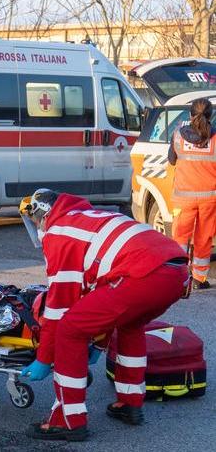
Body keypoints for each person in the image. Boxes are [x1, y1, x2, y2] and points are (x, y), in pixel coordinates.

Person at [18, 189, 189, 441]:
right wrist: (98, 345)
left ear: (43, 215)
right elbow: (104, 300)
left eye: (35, 222)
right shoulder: (88, 216)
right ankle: (130, 403)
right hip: (176, 272)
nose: (37, 229)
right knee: (131, 323)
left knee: (70, 329)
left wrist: (44, 358)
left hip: (144, 273)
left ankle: (68, 420)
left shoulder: (59, 232)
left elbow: (58, 308)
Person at [168, 98, 216, 289]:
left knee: (180, 237)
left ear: (190, 115)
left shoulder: (178, 135)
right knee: (204, 238)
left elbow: (171, 160)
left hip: (183, 198)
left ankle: (176, 278)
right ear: (210, 116)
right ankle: (199, 279)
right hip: (209, 198)